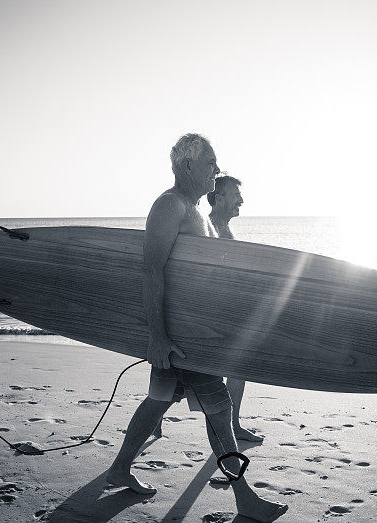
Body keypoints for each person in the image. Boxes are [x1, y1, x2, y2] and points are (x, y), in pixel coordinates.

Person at [103, 134, 287, 522]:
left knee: (158, 401)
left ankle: (120, 468)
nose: (216, 172)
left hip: (190, 335)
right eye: (210, 164)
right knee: (219, 411)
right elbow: (150, 270)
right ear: (187, 166)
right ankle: (244, 499)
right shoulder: (169, 206)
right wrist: (157, 336)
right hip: (181, 338)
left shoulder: (195, 210)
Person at [153, 173, 262, 442]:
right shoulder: (208, 227)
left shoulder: (223, 228)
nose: (242, 201)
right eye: (236, 196)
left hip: (222, 316)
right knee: (184, 378)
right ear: (220, 198)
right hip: (206, 320)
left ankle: (232, 423)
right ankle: (155, 419)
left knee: (235, 370)